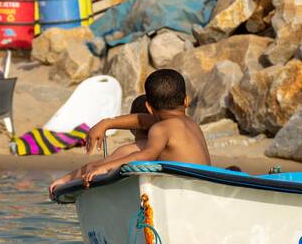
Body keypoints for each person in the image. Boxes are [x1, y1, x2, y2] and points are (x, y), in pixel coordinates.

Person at [79, 69, 211, 184]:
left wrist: (105, 168)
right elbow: (141, 120)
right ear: (186, 100)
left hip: (186, 186)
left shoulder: (161, 128)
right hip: (207, 185)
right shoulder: (191, 124)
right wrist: (106, 123)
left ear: (148, 107)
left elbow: (145, 156)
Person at [49, 96, 153, 198]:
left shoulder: (130, 150)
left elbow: (93, 167)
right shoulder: (165, 145)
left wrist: (64, 180)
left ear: (130, 126)